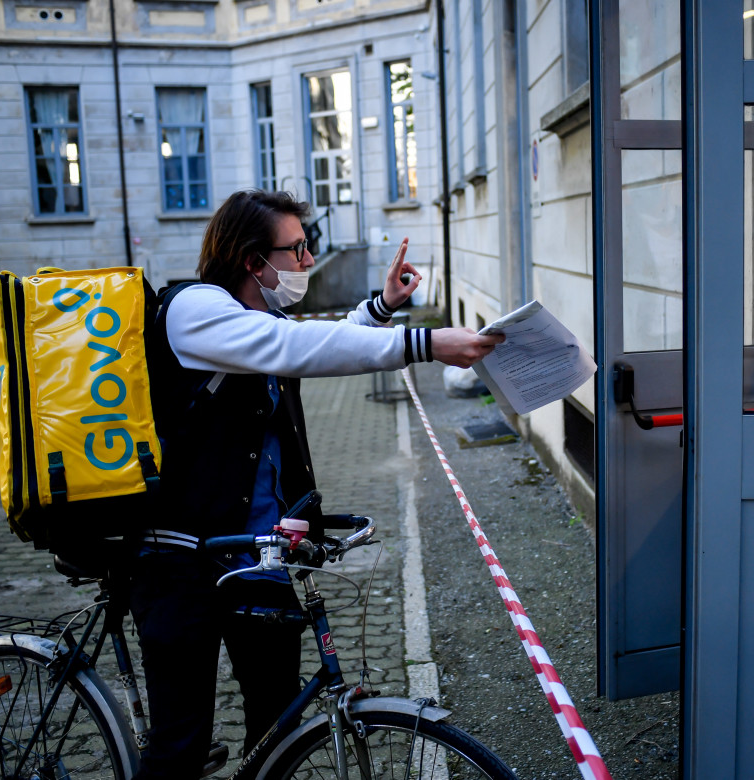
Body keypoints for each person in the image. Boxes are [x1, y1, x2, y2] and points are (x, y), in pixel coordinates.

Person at [130, 189, 503, 779]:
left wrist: (381, 307)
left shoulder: (258, 320)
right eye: (298, 247)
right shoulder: (194, 311)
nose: (308, 260)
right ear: (254, 261)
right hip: (182, 562)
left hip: (258, 555)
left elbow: (310, 341)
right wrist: (426, 344)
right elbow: (294, 345)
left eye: (309, 246)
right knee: (182, 742)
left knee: (276, 728)